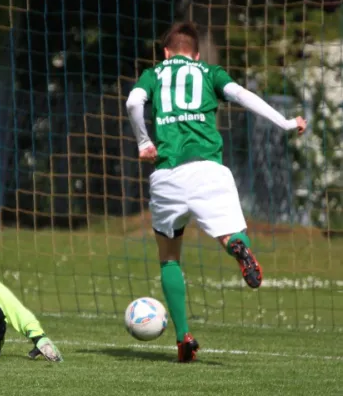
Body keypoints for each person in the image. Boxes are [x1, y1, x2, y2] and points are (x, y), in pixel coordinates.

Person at [125, 22, 306, 363]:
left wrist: (144, 142)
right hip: (208, 170)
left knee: (169, 256)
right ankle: (237, 246)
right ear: (196, 54)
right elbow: (243, 96)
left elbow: (134, 102)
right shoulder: (210, 72)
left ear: (166, 52)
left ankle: (183, 336)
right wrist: (285, 123)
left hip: (167, 175)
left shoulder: (153, 74)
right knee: (230, 234)